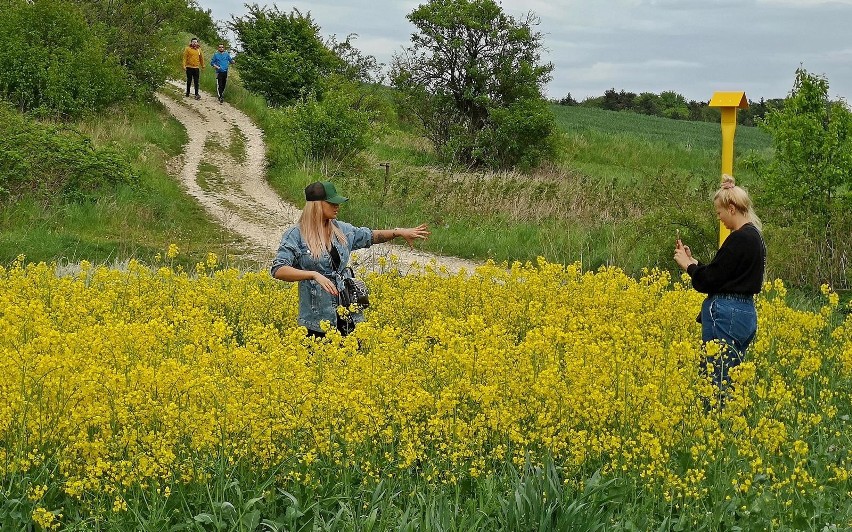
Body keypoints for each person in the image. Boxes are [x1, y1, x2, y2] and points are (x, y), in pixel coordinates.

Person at [271, 181, 430, 338]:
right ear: (317, 205)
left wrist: (399, 232)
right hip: (317, 322)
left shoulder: (342, 229)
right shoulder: (296, 235)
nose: (337, 206)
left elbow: (370, 236)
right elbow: (279, 269)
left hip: (349, 316)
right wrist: (313, 274)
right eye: (332, 203)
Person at [674, 174, 766, 407]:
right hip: (745, 312)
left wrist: (688, 266)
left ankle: (715, 425)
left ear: (731, 208)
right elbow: (725, 275)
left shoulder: (739, 239)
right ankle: (728, 428)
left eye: (719, 213)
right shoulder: (755, 237)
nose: (720, 219)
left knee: (716, 380)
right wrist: (695, 263)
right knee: (732, 378)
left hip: (726, 313)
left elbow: (709, 281)